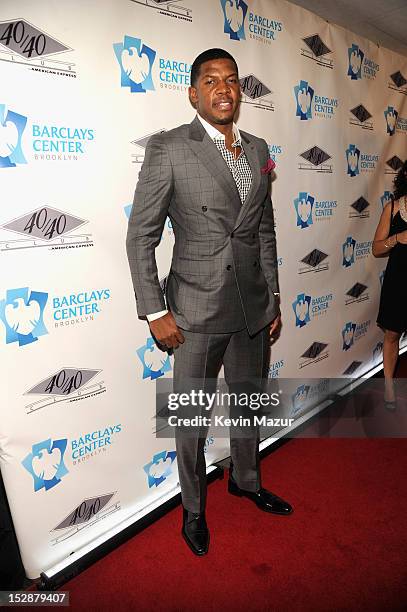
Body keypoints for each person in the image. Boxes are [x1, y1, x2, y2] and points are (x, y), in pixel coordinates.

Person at [126, 48, 292, 556]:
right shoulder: (170, 147)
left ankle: (245, 479)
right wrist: (156, 312)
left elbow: (263, 229)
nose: (223, 88)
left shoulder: (259, 147)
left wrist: (275, 296)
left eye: (232, 80)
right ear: (194, 92)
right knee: (191, 423)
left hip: (252, 308)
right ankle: (194, 510)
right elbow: (141, 236)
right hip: (194, 312)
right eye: (211, 80)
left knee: (247, 404)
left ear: (240, 91)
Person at [373, 160, 407, 403]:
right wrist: (397, 238)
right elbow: (376, 249)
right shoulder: (392, 207)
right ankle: (389, 389)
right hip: (398, 282)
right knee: (392, 335)